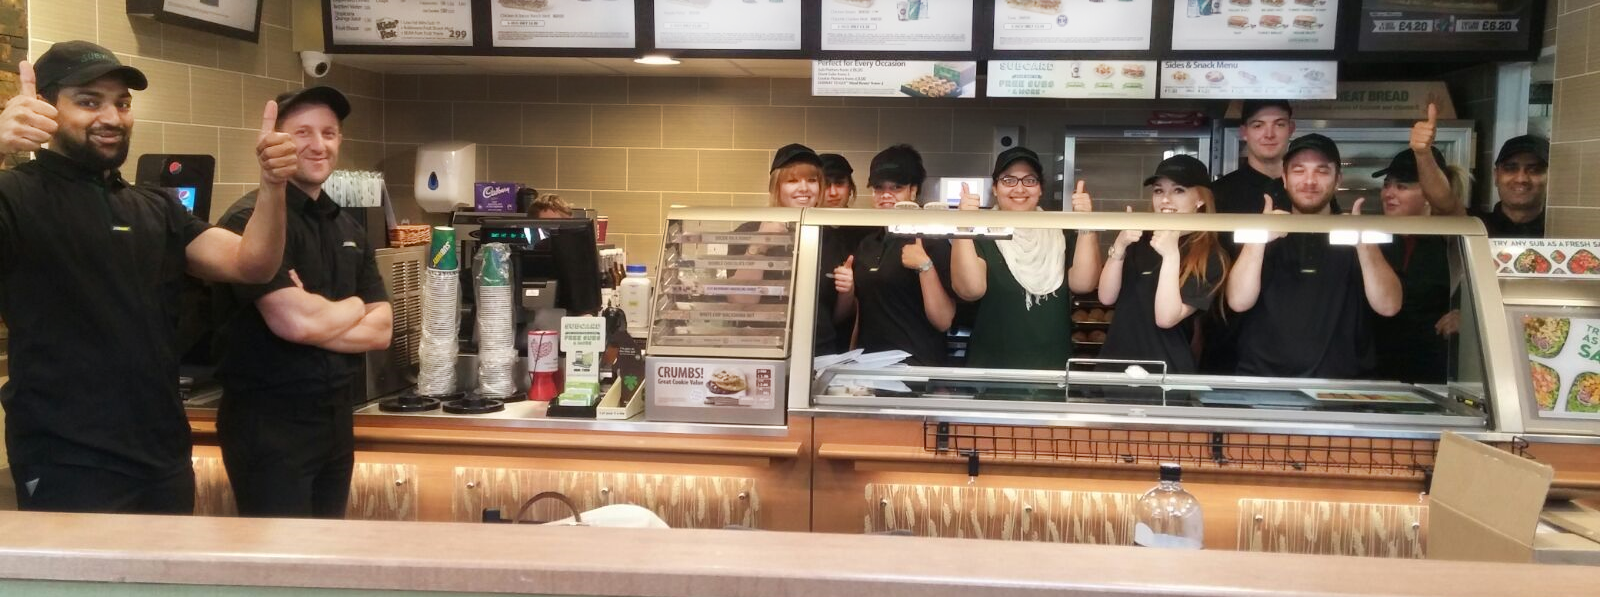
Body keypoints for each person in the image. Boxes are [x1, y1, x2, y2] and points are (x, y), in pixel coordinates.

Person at [0, 41, 294, 513]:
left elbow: (251, 263)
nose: (111, 118)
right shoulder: (14, 196)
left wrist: (273, 186)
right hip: (66, 460)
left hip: (162, 456)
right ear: (44, 106)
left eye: (122, 103)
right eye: (89, 102)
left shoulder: (155, 205)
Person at [213, 87, 392, 519]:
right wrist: (355, 305)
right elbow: (295, 323)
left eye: (329, 133)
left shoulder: (347, 225)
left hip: (335, 419)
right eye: (302, 132)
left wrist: (320, 315)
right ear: (276, 140)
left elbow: (382, 329)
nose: (318, 145)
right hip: (268, 423)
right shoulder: (248, 221)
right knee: (279, 554)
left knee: (326, 549)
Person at [1225, 134, 1403, 379]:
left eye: (1322, 171)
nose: (1309, 181)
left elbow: (1389, 306)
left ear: (1338, 179)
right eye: (1299, 171)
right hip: (1264, 381)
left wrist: (1363, 242)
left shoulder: (1364, 237)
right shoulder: (1264, 235)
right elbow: (1238, 301)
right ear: (1285, 178)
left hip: (1341, 386)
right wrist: (1258, 238)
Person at [949, 147, 1100, 370]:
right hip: (991, 370)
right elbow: (970, 290)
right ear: (995, 188)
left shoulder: (1060, 232)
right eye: (1008, 180)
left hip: (1051, 368)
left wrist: (1087, 221)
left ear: (1040, 188)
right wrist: (963, 224)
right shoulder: (981, 233)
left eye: (1029, 180)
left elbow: (1084, 283)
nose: (1019, 188)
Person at [1098, 156, 1230, 374]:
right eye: (1159, 191)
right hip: (1116, 363)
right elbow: (1106, 297)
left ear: (1200, 199)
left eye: (1178, 190)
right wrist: (1119, 246)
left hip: (1166, 371)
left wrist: (1171, 255)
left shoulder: (1210, 256)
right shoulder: (1140, 239)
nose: (1165, 199)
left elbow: (1166, 318)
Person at [1371, 105, 1473, 383]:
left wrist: (1423, 154)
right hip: (1377, 372)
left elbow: (1446, 202)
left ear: (1428, 193)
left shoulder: (1450, 234)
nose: (1389, 193)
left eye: (1402, 186)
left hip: (1434, 371)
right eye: (1387, 184)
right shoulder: (1375, 237)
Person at [832, 145, 957, 366]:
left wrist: (925, 266)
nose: (886, 195)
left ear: (913, 191)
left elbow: (944, 321)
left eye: (896, 187)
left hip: (916, 367)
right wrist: (850, 361)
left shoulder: (931, 241)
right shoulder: (868, 243)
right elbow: (863, 312)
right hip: (868, 366)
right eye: (879, 188)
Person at [1211, 100, 1294, 215]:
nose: (1269, 135)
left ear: (1291, 129)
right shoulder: (1218, 193)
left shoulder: (1306, 190)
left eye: (1279, 124)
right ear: (1244, 132)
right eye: (1258, 126)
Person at [1476, 134, 1548, 238]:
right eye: (1510, 169)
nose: (1521, 179)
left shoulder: (1562, 230)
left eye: (1534, 170)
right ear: (1496, 176)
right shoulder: (1474, 229)